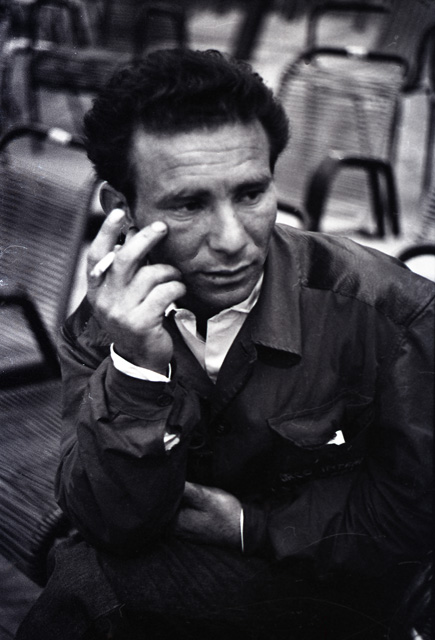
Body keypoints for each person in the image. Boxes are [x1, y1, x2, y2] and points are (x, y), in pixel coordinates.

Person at [17, 49, 433, 640]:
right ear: (121, 209)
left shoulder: (388, 310)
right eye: (190, 204)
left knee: (89, 587)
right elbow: (110, 521)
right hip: (187, 568)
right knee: (87, 571)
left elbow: (412, 525)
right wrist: (136, 367)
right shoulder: (109, 318)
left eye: (251, 193)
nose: (234, 239)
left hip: (345, 587)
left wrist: (249, 526)